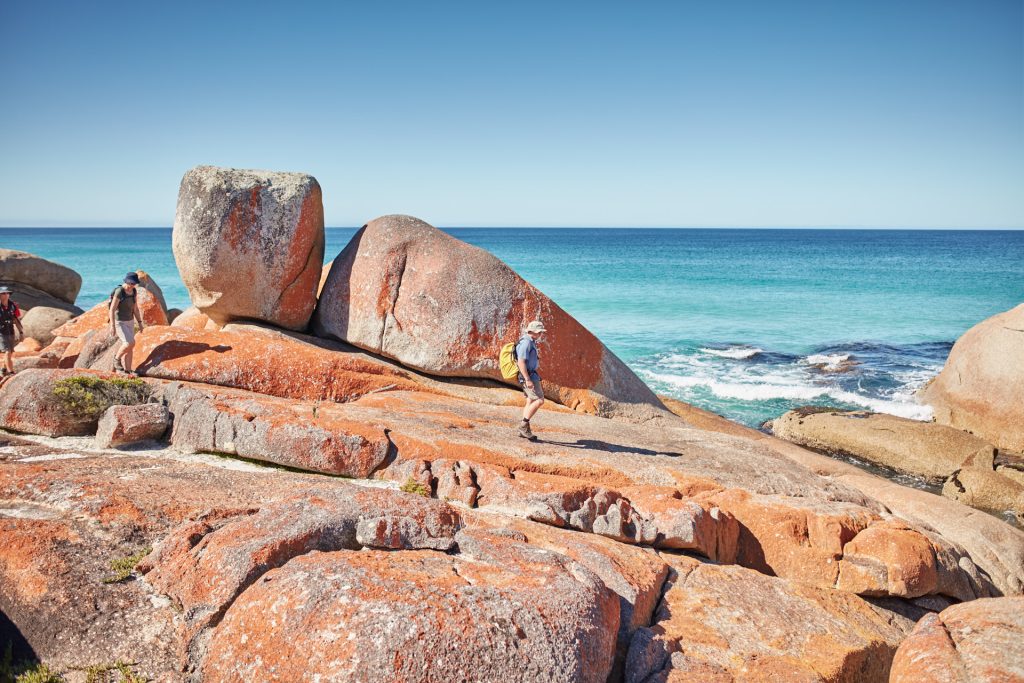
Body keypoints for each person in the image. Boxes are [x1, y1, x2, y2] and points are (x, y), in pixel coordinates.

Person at [515, 320, 547, 440]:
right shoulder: (526, 343)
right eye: (540, 332)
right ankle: (523, 425)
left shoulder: (529, 341)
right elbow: (521, 362)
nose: (541, 335)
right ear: (532, 332)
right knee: (539, 400)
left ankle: (524, 429)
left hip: (531, 375)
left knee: (529, 400)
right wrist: (528, 379)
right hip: (528, 376)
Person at [109, 272, 145, 375]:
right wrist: (112, 326)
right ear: (126, 281)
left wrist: (140, 323)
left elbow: (135, 309)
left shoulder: (134, 291)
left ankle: (128, 370)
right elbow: (112, 310)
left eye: (134, 284)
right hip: (119, 322)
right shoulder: (119, 291)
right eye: (131, 284)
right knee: (129, 343)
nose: (132, 286)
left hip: (130, 321)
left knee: (130, 347)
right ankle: (116, 359)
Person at [0, 286, 25, 377]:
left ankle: (3, 368)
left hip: (10, 331)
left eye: (7, 293)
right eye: (3, 293)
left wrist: (21, 333)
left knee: (10, 352)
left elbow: (16, 320)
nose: (6, 295)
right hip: (1, 332)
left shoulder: (13, 306)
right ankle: (10, 372)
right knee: (7, 351)